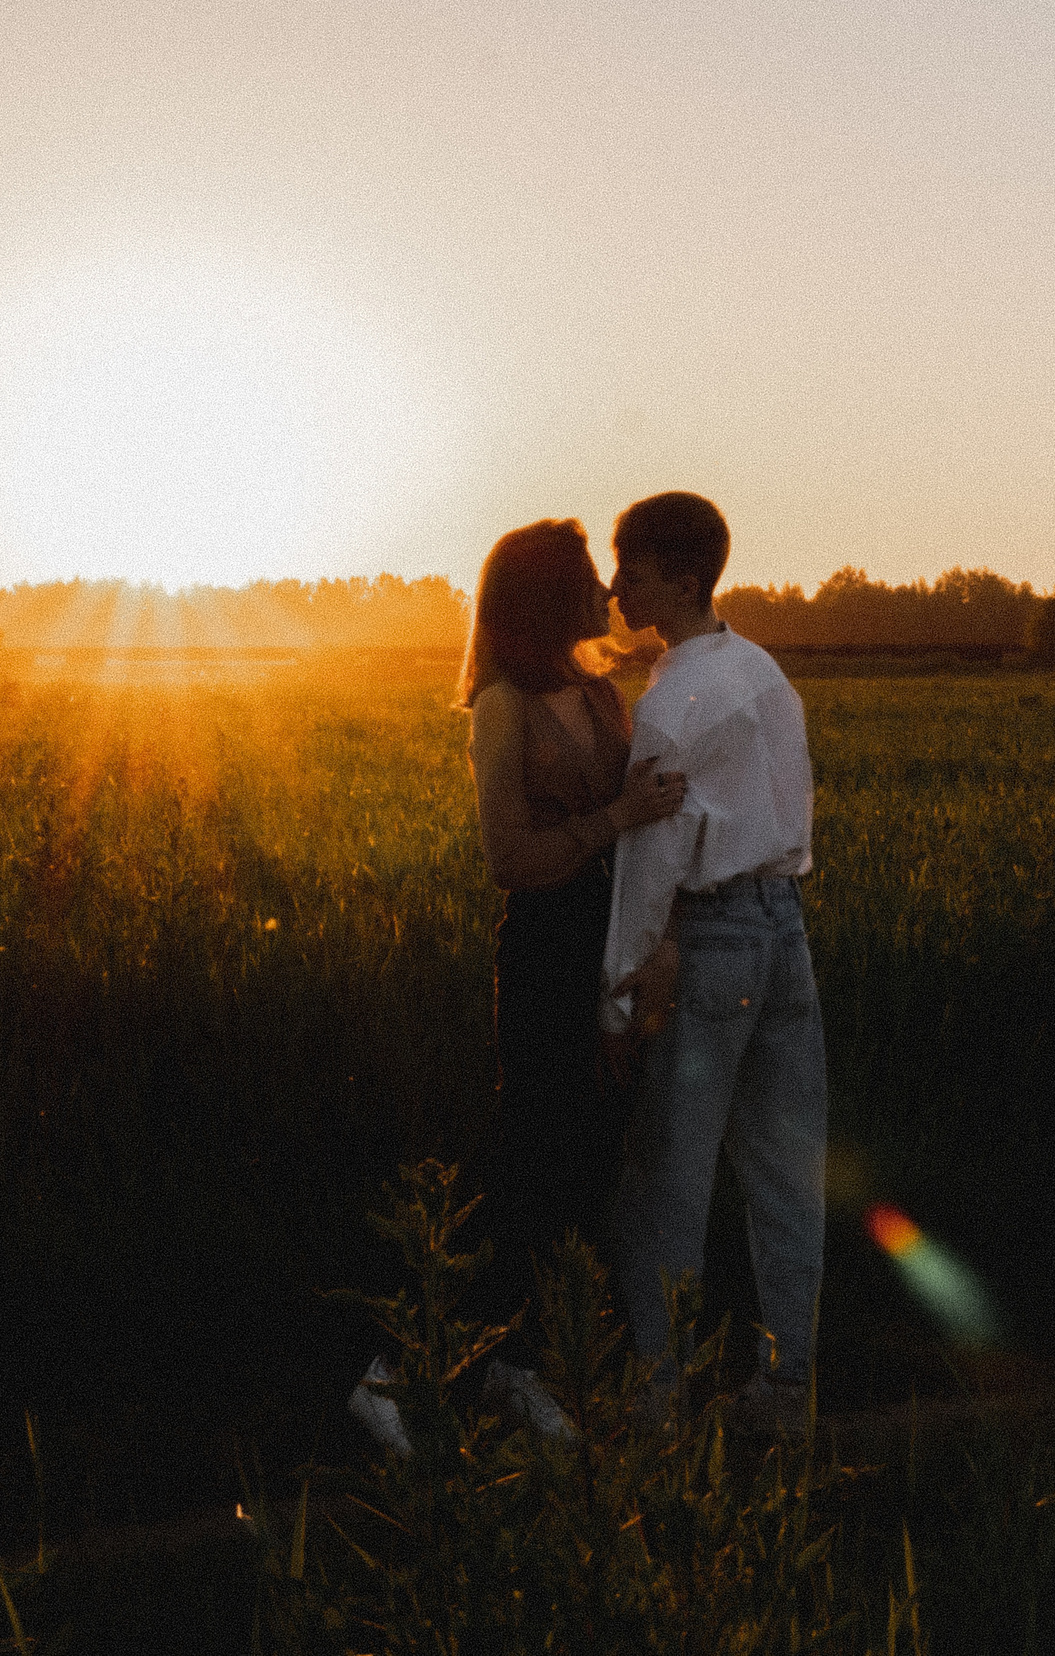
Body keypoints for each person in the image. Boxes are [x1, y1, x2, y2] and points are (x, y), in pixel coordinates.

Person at [349, 518, 686, 1454]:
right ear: (543, 596)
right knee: (525, 1166)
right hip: (544, 950)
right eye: (584, 576)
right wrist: (617, 818)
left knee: (585, 1166)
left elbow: (651, 831)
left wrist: (659, 939)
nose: (604, 591)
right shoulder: (501, 707)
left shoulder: (603, 693)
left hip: (613, 942)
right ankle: (390, 1373)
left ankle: (518, 1366)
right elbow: (509, 858)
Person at [600, 491, 825, 1437]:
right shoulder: (764, 673)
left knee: (671, 1179)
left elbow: (651, 864)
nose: (616, 587)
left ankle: (658, 1403)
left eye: (633, 569)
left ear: (683, 581)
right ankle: (786, 1388)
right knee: (785, 1176)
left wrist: (618, 998)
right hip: (785, 932)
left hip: (715, 938)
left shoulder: (670, 705)